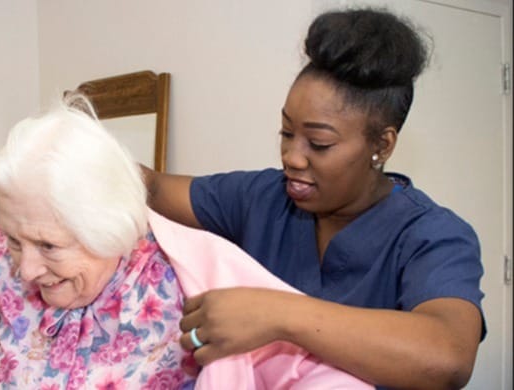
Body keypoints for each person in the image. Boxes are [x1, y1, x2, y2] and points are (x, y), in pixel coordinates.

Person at [142, 7, 485, 390]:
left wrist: (276, 313)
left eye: (319, 143)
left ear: (382, 145)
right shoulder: (263, 198)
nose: (292, 157)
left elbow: (448, 357)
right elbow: (152, 189)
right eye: (287, 132)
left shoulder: (432, 235)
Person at [0, 95, 375, 389]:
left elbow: (320, 373)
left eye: (49, 246)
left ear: (110, 226)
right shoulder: (1, 260)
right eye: (14, 239)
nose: (26, 269)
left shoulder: (190, 275)